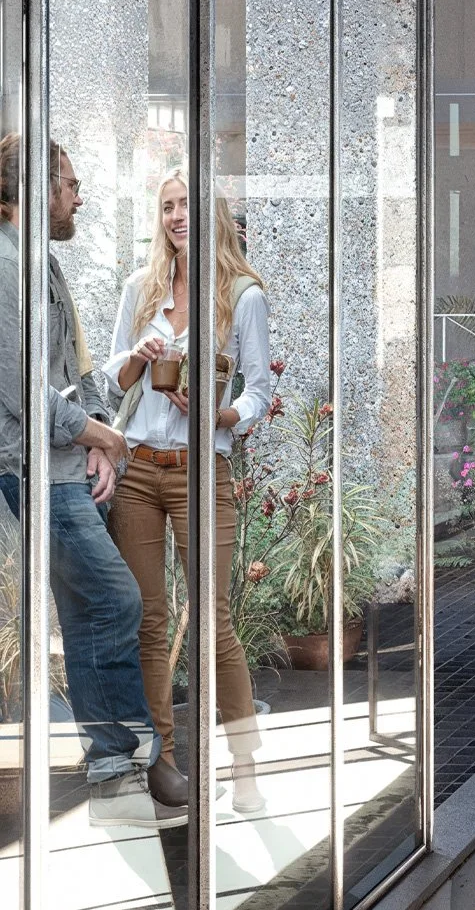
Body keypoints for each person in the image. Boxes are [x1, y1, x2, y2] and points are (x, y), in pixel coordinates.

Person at [0, 134, 157, 829]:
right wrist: (100, 435)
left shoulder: (41, 264)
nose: (79, 197)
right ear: (32, 190)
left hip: (63, 464)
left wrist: (94, 431)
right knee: (114, 599)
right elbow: (21, 391)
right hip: (31, 469)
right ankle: (116, 760)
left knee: (90, 605)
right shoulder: (7, 269)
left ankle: (114, 771)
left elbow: (71, 373)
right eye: (69, 183)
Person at [106, 174, 274, 812]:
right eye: (169, 206)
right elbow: (113, 380)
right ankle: (164, 763)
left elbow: (257, 390)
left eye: (189, 204)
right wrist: (141, 357)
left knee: (213, 620)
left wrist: (218, 416)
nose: (179, 215)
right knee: (150, 622)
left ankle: (246, 768)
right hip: (140, 472)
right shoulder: (139, 288)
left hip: (204, 469)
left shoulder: (242, 295)